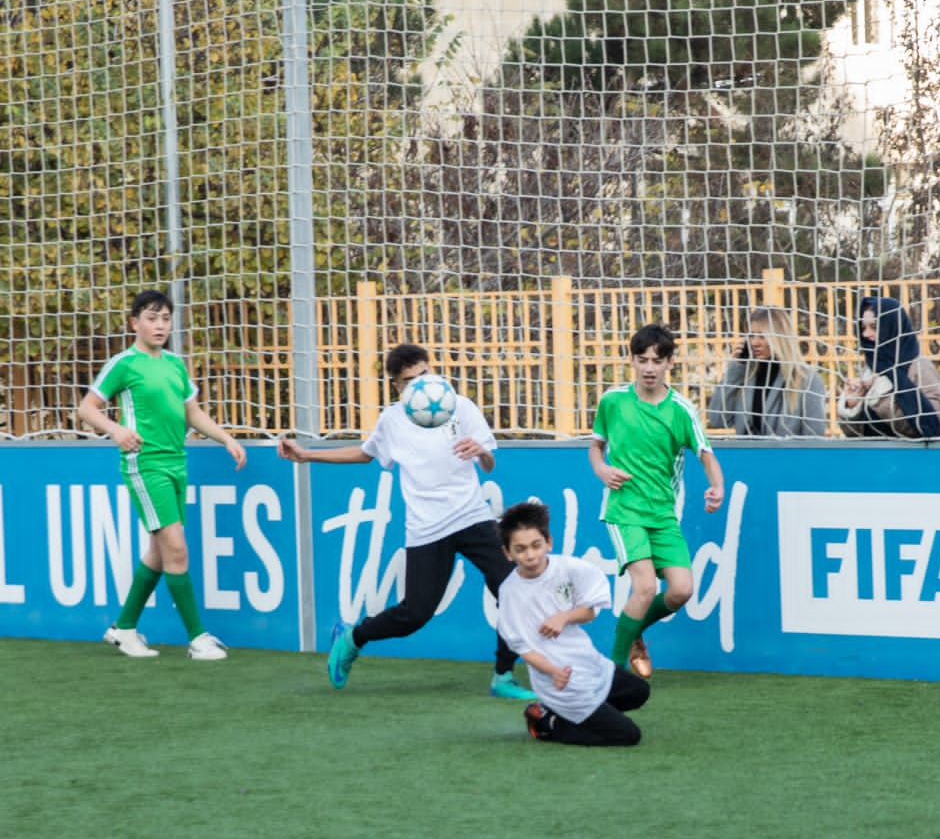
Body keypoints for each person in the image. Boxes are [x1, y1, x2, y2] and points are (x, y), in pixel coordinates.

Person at [276, 343, 537, 701]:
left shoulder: (461, 406)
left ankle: (503, 676)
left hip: (472, 517)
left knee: (512, 589)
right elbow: (365, 454)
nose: (420, 386)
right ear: (397, 387)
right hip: (427, 528)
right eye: (409, 381)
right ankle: (353, 637)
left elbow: (489, 463)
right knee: (415, 614)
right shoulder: (393, 419)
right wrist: (307, 455)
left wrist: (482, 451)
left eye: (424, 375)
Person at [78, 289, 246, 661]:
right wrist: (117, 431)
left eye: (165, 319)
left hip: (176, 463)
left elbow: (192, 413)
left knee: (159, 550)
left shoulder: (174, 364)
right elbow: (87, 408)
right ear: (135, 322)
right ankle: (198, 638)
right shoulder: (125, 363)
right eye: (151, 318)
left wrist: (226, 439)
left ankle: (123, 628)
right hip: (146, 464)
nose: (159, 325)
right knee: (176, 547)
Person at [590, 323, 725, 680]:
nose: (649, 367)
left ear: (670, 364)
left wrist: (717, 488)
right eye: (642, 359)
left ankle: (634, 633)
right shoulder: (613, 401)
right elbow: (596, 446)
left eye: (657, 360)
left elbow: (705, 453)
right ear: (631, 360)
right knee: (646, 586)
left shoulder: (681, 409)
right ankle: (613, 674)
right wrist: (602, 470)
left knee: (681, 589)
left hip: (663, 514)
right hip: (624, 510)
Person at [496, 500, 651, 746]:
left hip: (589, 664)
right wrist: (554, 671)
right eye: (520, 549)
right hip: (560, 681)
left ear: (549, 542)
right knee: (628, 736)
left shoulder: (571, 568)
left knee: (639, 692)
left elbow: (589, 613)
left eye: (536, 545)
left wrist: (564, 617)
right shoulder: (510, 593)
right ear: (508, 553)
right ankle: (547, 724)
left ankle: (559, 714)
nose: (530, 555)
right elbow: (522, 649)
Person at [706, 306, 827, 437]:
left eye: (762, 336)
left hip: (786, 457)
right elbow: (717, 419)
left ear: (780, 338)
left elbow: (814, 440)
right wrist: (736, 369)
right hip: (748, 456)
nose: (755, 342)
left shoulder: (807, 380)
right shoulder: (745, 375)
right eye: (751, 335)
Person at [837, 295, 940, 439]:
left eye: (874, 327)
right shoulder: (872, 367)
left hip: (909, 459)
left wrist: (880, 398)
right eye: (863, 328)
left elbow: (930, 427)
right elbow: (856, 434)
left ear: (892, 326)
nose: (866, 334)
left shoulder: (919, 367)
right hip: (874, 458)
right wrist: (853, 404)